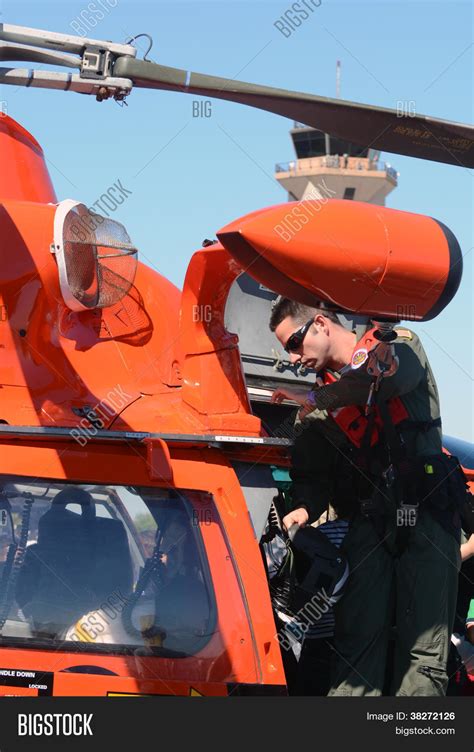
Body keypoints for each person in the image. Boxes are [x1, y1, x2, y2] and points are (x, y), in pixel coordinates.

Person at [269, 297, 465, 696]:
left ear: (321, 324)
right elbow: (311, 470)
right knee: (356, 651)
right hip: (370, 524)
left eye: (293, 343)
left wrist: (313, 400)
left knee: (423, 654)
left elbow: (385, 380)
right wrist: (302, 510)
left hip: (425, 517)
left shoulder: (396, 343)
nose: (292, 358)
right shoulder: (321, 403)